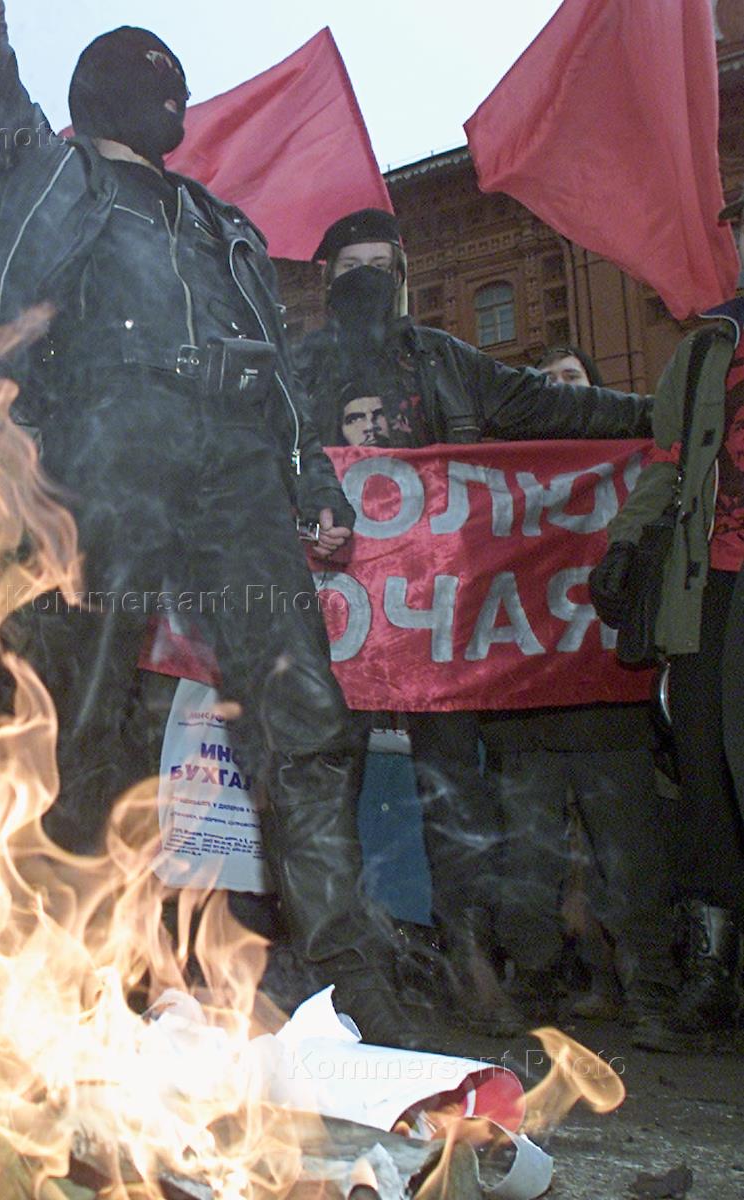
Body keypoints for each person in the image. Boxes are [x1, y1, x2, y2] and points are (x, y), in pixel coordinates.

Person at [0, 0, 416, 1041]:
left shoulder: (220, 224)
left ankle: (344, 972)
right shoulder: (48, 171)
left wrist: (309, 480)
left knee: (303, 712)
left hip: (233, 460)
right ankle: (69, 963)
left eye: (174, 76)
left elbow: (277, 375)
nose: (168, 89)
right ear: (100, 92)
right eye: (147, 73)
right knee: (82, 711)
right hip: (107, 447)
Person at [296, 207, 653, 1032]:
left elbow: (545, 406)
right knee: (321, 793)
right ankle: (342, 971)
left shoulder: (443, 360)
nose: (369, 280)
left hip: (435, 625)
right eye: (353, 267)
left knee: (454, 796)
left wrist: (664, 413)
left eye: (383, 265)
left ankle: (469, 962)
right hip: (331, 619)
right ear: (326, 280)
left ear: (404, 277)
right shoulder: (299, 369)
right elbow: (260, 448)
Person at [478, 346, 678, 1039]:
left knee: (629, 856)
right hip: (523, 708)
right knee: (526, 857)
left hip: (606, 701)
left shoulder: (631, 463)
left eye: (572, 380)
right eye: (545, 384)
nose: (559, 392)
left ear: (595, 390)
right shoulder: (496, 481)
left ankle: (651, 988)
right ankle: (533, 982)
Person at [590, 189, 744, 1050]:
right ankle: (712, 972)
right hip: (709, 582)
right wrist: (625, 541)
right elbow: (669, 460)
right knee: (705, 765)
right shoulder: (705, 349)